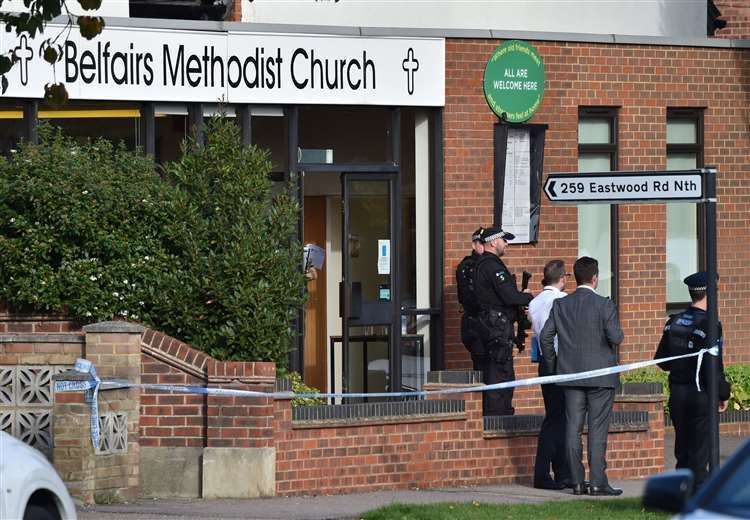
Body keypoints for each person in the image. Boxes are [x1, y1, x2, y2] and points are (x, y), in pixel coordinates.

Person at [539, 256, 624, 496]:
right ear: (595, 278)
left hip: (569, 376)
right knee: (597, 430)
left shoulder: (561, 305)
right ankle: (597, 482)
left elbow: (545, 338)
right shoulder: (604, 304)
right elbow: (616, 338)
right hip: (601, 377)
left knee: (572, 429)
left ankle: (576, 482)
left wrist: (555, 364)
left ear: (575, 278)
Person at [654, 271, 731, 490]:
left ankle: (682, 497)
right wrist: (723, 393)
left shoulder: (674, 321)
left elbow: (661, 360)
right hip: (700, 395)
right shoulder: (710, 324)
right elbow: (713, 366)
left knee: (683, 452)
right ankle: (697, 502)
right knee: (699, 455)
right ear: (709, 293)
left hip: (677, 394)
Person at [473, 226, 532, 416]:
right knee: (501, 374)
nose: (506, 244)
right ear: (493, 242)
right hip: (497, 328)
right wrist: (529, 297)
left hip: (488, 326)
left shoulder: (481, 264)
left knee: (494, 371)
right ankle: (499, 419)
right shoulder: (492, 265)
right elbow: (509, 296)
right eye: (504, 240)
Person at [530, 260, 570, 490]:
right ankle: (543, 474)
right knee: (556, 419)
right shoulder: (562, 301)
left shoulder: (535, 302)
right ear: (563, 278)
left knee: (557, 417)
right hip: (561, 362)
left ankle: (562, 472)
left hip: (545, 362)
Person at [456, 227, 486, 371]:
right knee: (483, 368)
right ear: (474, 245)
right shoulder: (469, 266)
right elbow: (470, 298)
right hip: (477, 323)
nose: (485, 246)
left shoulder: (489, 264)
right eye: (481, 243)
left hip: (488, 325)